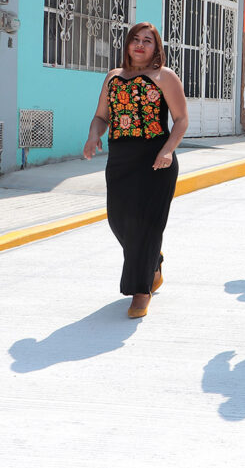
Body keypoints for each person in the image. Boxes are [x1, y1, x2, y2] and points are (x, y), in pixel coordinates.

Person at [83, 22, 188, 318]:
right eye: (135, 40)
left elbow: (181, 120)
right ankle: (152, 261)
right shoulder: (112, 78)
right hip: (121, 160)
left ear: (157, 48)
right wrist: (94, 136)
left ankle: (140, 291)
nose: (140, 45)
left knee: (146, 224)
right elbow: (101, 116)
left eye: (148, 41)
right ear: (127, 44)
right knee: (119, 221)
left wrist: (167, 150)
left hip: (156, 159)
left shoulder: (164, 76)